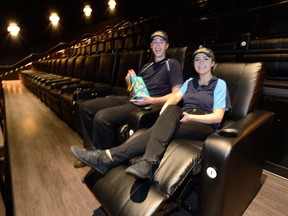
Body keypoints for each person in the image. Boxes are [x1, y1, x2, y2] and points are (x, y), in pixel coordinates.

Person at [71, 46, 231, 179]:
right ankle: (137, 162)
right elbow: (175, 97)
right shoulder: (190, 82)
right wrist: (164, 112)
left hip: (203, 123)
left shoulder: (220, 84)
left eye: (205, 59)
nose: (201, 62)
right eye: (197, 59)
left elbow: (218, 117)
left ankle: (112, 157)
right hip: (182, 118)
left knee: (158, 128)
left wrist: (190, 117)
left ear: (213, 63)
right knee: (170, 111)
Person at [74, 30, 183, 168]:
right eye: (154, 42)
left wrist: (151, 100)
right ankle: (91, 151)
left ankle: (103, 161)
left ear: (167, 46)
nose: (157, 45)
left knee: (102, 117)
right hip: (131, 99)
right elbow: (135, 91)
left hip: (148, 105)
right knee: (85, 107)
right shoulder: (146, 66)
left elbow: (176, 95)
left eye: (161, 42)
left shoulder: (172, 64)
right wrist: (129, 82)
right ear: (150, 45)